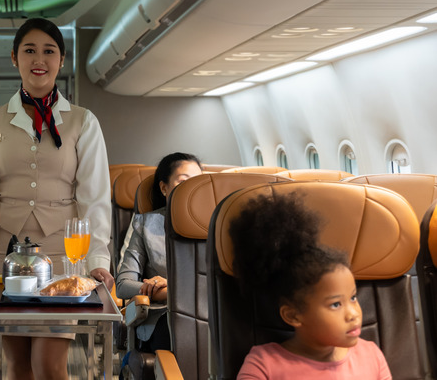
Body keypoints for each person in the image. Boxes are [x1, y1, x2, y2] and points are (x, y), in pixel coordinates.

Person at [0, 18, 113, 380]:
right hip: (9, 257)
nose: (39, 59)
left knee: (49, 366)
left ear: (61, 60)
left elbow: (94, 196)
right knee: (16, 366)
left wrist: (97, 257)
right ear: (14, 58)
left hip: (65, 257)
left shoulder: (84, 121)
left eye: (49, 51)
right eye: (29, 50)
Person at [230, 192, 391, 379]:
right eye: (336, 304)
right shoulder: (264, 364)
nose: (353, 314)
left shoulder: (371, 355)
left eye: (353, 298)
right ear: (293, 315)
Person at [115, 152, 202, 351]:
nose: (191, 190)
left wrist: (170, 289)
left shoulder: (218, 226)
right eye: (183, 182)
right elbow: (123, 285)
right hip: (163, 317)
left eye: (198, 183)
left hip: (210, 313)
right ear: (164, 188)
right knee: (176, 331)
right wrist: (160, 294)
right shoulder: (145, 225)